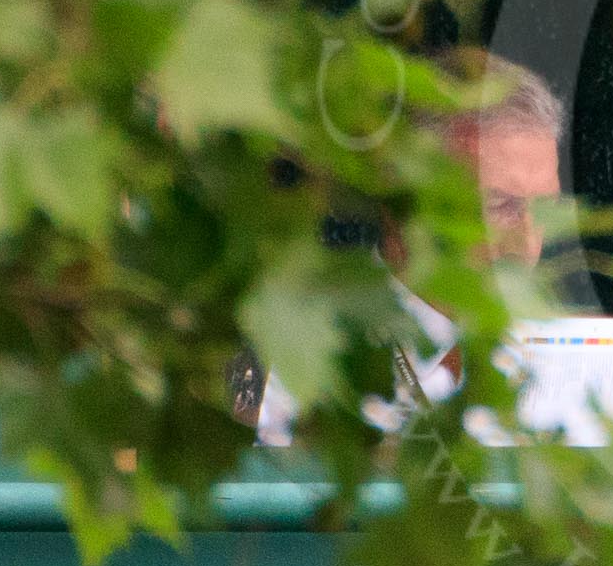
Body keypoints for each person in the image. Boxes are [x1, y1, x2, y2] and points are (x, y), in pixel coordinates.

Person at [236, 50, 565, 443]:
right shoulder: (298, 348)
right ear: (403, 196)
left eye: (545, 209)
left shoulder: (565, 357)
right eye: (499, 206)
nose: (527, 241)